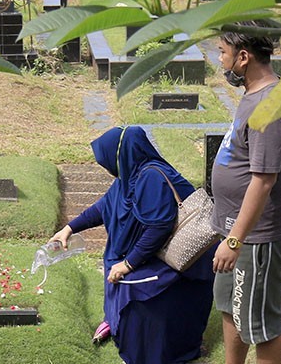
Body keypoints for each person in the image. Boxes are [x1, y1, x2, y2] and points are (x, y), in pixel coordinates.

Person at [50, 125, 215, 364]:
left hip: (181, 257)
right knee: (115, 264)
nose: (107, 169)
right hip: (159, 250)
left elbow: (159, 227)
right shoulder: (130, 174)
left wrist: (128, 264)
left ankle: (153, 347)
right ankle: (117, 322)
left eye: (107, 161)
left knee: (135, 284)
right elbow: (104, 206)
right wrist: (69, 228)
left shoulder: (151, 177)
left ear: (120, 156)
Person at [211, 21, 281, 364]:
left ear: (243, 57)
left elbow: (264, 181)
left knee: (261, 326)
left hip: (258, 237)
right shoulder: (255, 95)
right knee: (231, 308)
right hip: (238, 233)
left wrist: (235, 240)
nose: (219, 60)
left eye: (222, 52)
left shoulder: (270, 106)